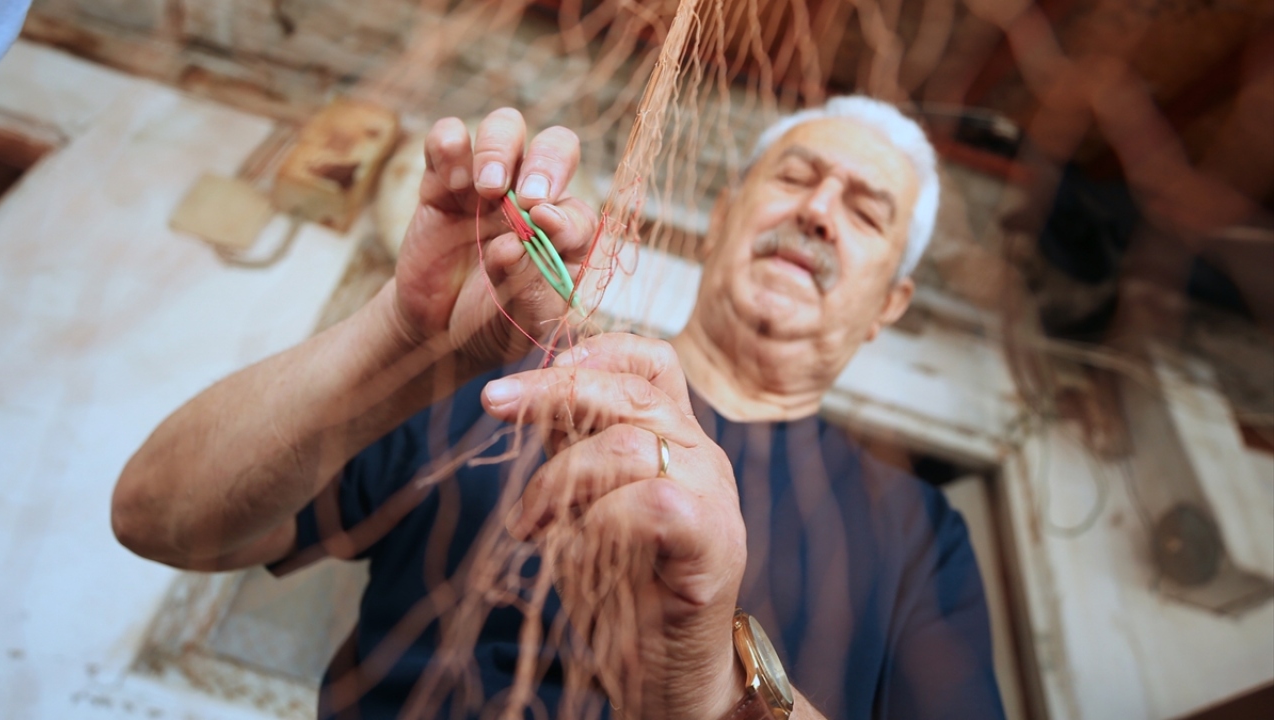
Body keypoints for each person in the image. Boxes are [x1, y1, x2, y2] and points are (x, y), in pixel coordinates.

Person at [112, 96, 1004, 720]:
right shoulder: (504, 381)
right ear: (725, 214)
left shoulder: (919, 536)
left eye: (865, 211)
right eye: (797, 176)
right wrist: (406, 334)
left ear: (891, 301)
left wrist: (706, 693)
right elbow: (158, 518)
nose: (816, 211)